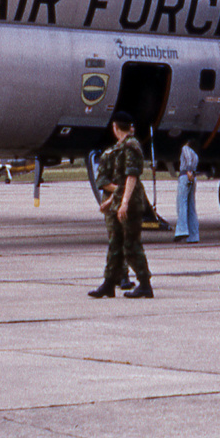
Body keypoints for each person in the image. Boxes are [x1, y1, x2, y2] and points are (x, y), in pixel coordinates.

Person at [89, 112, 153, 299]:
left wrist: (124, 202)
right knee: (115, 243)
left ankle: (145, 284)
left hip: (131, 203)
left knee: (131, 244)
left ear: (115, 127)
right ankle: (109, 284)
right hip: (121, 201)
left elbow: (131, 176)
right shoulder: (121, 147)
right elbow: (122, 182)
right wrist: (111, 201)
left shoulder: (131, 146)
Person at [175, 139, 199, 244]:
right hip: (193, 177)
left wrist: (188, 170)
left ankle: (182, 230)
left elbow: (187, 157)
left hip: (185, 175)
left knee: (182, 203)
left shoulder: (186, 148)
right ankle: (194, 235)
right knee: (191, 205)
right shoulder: (196, 155)